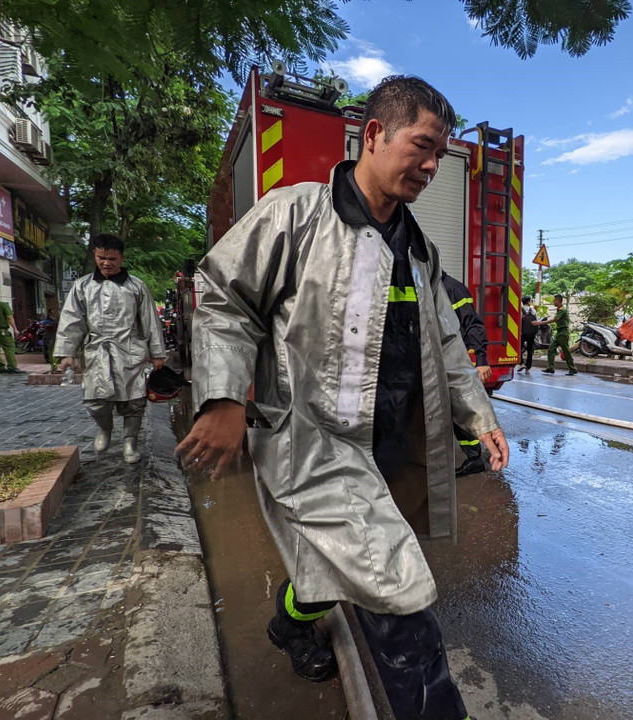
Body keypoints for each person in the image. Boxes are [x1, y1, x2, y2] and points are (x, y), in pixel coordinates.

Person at [174, 75, 508, 720]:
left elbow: (444, 345)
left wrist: (478, 416)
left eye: (442, 153)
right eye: (423, 146)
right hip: (317, 440)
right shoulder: (295, 213)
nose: (434, 166)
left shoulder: (419, 248)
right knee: (396, 588)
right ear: (374, 135)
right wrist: (221, 399)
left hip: (398, 440)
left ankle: (292, 622)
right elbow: (223, 298)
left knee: (350, 560)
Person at [53, 234, 166, 464]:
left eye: (112, 258)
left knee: (134, 402)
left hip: (130, 350)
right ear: (95, 255)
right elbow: (72, 320)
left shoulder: (137, 286)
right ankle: (105, 428)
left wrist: (157, 354)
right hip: (97, 350)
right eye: (101, 257)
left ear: (122, 258)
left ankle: (130, 442)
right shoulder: (82, 286)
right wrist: (67, 353)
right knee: (96, 401)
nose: (106, 263)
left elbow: (149, 320)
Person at [441, 271, 491, 477]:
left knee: (459, 410)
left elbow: (472, 324)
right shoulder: (424, 286)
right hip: (432, 361)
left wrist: (481, 359)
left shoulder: (452, 288)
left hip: (452, 361)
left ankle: (474, 458)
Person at [534, 294, 577, 376]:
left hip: (563, 333)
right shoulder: (559, 309)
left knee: (566, 351)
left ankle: (573, 368)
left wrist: (539, 323)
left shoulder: (562, 309)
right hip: (559, 333)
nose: (553, 302)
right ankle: (551, 367)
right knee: (551, 349)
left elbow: (554, 320)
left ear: (558, 301)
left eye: (554, 300)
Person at [519, 295, 537, 374]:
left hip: (523, 332)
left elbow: (519, 322)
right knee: (530, 350)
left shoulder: (520, 311)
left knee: (519, 348)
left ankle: (521, 363)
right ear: (528, 301)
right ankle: (528, 368)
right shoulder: (533, 311)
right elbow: (536, 320)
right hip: (531, 333)